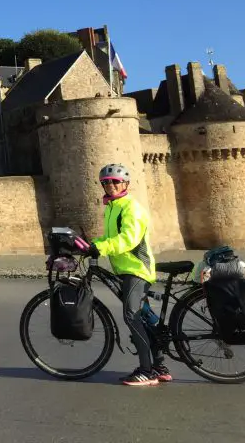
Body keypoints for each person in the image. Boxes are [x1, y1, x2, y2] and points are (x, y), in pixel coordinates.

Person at [75, 164, 170, 386]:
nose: (111, 185)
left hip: (136, 269)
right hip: (126, 270)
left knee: (131, 314)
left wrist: (103, 248)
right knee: (144, 316)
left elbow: (129, 239)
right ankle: (160, 365)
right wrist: (92, 245)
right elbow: (112, 237)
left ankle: (147, 371)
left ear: (125, 184)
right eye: (106, 182)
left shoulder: (131, 207)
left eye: (115, 181)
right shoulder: (113, 207)